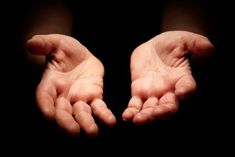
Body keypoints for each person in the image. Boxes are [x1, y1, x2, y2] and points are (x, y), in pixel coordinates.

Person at [20, 0, 214, 136]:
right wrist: (50, 43)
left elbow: (185, 3)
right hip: (76, 73)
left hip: (159, 72)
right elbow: (47, 5)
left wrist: (180, 35)